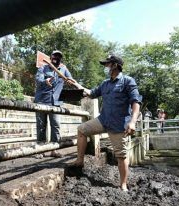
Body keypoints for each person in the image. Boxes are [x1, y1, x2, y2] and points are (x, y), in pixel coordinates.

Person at [69, 54, 142, 191]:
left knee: (121, 155)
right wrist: (76, 84)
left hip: (119, 125)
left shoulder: (128, 81)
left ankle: (123, 184)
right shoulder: (105, 84)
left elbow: (135, 103)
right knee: (82, 129)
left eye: (107, 64)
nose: (105, 67)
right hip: (103, 120)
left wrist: (133, 122)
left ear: (115, 65)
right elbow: (91, 93)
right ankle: (79, 161)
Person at [34, 50, 75, 158]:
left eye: (58, 56)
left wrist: (70, 81)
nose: (56, 57)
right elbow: (38, 79)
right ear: (51, 57)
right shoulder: (43, 68)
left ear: (60, 59)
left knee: (56, 125)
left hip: (56, 102)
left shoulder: (64, 69)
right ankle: (40, 150)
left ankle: (54, 150)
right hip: (41, 101)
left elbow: (71, 80)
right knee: (41, 126)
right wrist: (45, 80)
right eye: (54, 55)